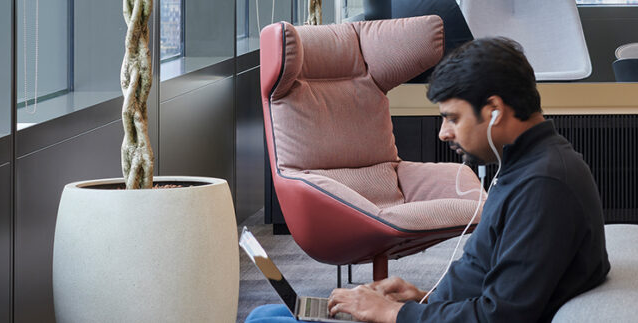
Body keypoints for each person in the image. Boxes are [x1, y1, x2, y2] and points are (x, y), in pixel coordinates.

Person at [246, 36, 609, 323]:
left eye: (452, 118)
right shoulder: (526, 166)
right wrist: (421, 299)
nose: (443, 133)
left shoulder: (543, 187)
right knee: (274, 312)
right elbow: (491, 280)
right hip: (433, 312)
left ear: (495, 111)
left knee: (266, 319)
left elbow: (502, 315)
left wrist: (394, 314)